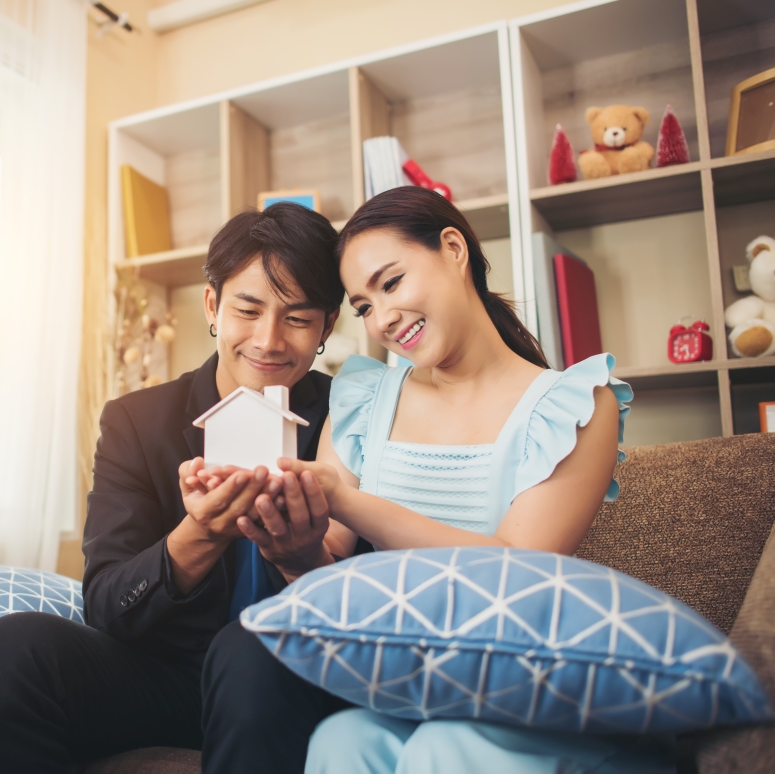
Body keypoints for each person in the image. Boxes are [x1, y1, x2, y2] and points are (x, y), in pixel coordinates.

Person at [267, 187, 673, 773]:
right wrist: (292, 545)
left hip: (534, 687)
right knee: (342, 738)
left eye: (391, 283)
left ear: (453, 249)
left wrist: (346, 501)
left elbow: (515, 567)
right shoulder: (362, 399)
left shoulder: (573, 405)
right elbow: (328, 570)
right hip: (421, 685)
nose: (381, 319)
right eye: (361, 307)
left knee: (446, 748)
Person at [0, 202, 364, 774]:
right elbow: (105, 602)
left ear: (327, 326)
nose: (269, 341)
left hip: (286, 674)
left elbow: (372, 601)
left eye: (297, 319)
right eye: (248, 309)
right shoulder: (137, 421)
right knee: (9, 648)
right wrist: (197, 535)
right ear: (213, 306)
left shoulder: (354, 418)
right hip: (165, 675)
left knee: (248, 652)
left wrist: (300, 555)